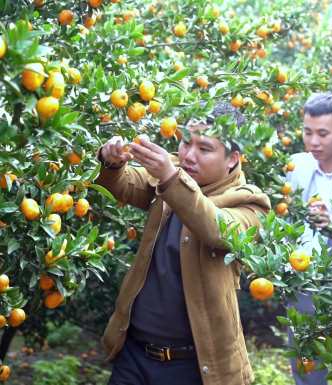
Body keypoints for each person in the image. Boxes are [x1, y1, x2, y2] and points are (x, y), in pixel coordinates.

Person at [97, 102, 271, 385]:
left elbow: (218, 229)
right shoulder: (172, 175)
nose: (189, 155)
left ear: (232, 158)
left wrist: (170, 177)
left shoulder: (250, 202)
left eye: (204, 149)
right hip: (134, 355)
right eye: (186, 143)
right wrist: (112, 162)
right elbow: (123, 184)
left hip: (193, 366)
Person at [285, 92, 332, 384]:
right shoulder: (296, 166)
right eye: (307, 132)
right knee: (306, 368)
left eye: (323, 134)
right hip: (302, 286)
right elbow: (284, 222)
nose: (313, 142)